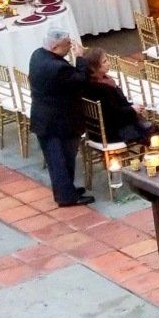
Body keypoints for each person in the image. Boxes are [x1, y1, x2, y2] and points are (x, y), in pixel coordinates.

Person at [27, 29, 93, 207]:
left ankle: (67, 190)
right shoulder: (57, 67)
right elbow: (81, 79)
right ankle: (66, 197)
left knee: (59, 159)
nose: (70, 47)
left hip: (44, 117)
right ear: (55, 47)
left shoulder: (38, 55)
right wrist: (80, 58)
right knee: (61, 159)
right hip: (58, 120)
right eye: (67, 45)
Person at [77, 48, 156, 146]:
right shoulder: (101, 89)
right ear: (93, 68)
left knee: (148, 126)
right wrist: (132, 109)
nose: (109, 63)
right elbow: (114, 114)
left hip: (98, 131)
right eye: (104, 62)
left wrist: (133, 107)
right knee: (153, 131)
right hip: (113, 132)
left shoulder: (94, 84)